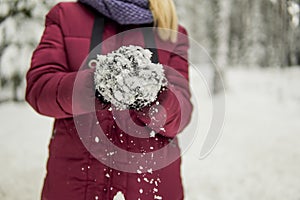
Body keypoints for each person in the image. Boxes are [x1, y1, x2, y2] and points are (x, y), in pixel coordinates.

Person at [26, 0, 192, 199]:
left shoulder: (171, 31)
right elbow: (39, 89)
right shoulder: (65, 15)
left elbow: (181, 115)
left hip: (151, 187)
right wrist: (95, 85)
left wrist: (154, 96)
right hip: (76, 184)